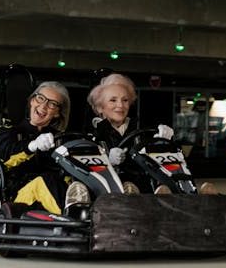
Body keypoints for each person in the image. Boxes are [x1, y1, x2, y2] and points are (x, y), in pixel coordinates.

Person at [86, 73, 217, 195]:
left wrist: (162, 142)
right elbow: (84, 170)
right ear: (100, 107)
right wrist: (107, 161)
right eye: (113, 100)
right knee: (129, 187)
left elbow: (153, 157)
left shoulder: (140, 128)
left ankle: (190, 192)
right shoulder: (92, 134)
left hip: (146, 184)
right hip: (112, 190)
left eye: (125, 100)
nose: (120, 105)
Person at [0, 81, 73, 214]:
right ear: (32, 101)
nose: (44, 106)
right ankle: (77, 223)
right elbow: (6, 157)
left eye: (52, 104)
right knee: (44, 181)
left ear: (58, 112)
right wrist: (32, 146)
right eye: (40, 98)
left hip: (54, 191)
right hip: (19, 194)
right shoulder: (9, 131)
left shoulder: (60, 138)